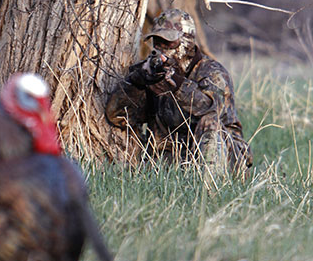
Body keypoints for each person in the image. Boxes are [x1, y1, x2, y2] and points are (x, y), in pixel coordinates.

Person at [105, 9, 253, 176]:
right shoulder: (155, 73)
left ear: (187, 41)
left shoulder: (212, 71)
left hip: (224, 158)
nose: (162, 49)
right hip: (174, 159)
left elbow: (212, 110)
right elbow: (117, 117)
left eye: (169, 44)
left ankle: (210, 194)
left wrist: (178, 85)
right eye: (157, 43)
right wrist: (136, 83)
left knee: (209, 123)